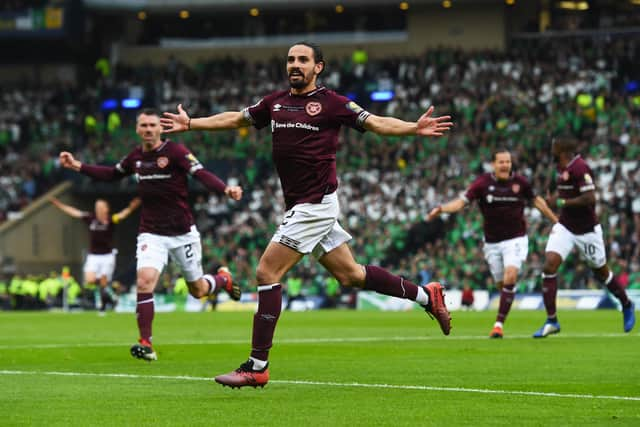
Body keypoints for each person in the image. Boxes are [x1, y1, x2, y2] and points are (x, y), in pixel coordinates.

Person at [161, 41, 454, 388]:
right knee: (351, 275)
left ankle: (257, 366)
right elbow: (235, 118)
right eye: (290, 60)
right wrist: (192, 123)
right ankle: (427, 295)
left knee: (266, 270)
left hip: (315, 204)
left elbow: (374, 122)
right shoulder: (274, 103)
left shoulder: (333, 104)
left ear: (319, 67)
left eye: (303, 60)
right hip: (301, 204)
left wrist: (411, 127)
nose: (295, 65)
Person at [58, 108, 243, 361]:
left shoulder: (176, 152)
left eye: (152, 125)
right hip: (151, 233)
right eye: (143, 125)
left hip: (182, 232)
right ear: (137, 129)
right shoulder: (135, 157)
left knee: (198, 290)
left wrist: (225, 189)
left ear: (160, 128)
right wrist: (77, 165)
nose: (148, 129)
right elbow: (111, 175)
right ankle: (146, 343)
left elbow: (200, 174)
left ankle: (223, 280)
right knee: (144, 281)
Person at [427, 149, 558, 338]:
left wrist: (556, 221)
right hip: (492, 243)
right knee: (502, 284)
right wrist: (441, 209)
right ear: (493, 165)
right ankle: (507, 302)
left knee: (510, 276)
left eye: (508, 162)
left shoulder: (520, 183)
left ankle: (498, 325)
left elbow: (538, 202)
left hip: (516, 239)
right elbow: (462, 203)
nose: (505, 165)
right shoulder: (482, 184)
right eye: (501, 162)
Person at [532, 137, 635, 338]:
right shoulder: (560, 168)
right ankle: (552, 320)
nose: (551, 149)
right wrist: (555, 200)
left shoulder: (580, 168)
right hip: (566, 227)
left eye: (554, 146)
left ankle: (626, 304)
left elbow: (590, 198)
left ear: (563, 149)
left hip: (587, 231)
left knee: (602, 273)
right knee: (549, 265)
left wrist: (560, 202)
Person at [50, 196, 140, 313]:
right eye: (97, 207)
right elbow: (74, 212)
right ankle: (109, 294)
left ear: (106, 209)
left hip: (107, 256)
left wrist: (131, 208)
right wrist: (59, 205)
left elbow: (122, 215)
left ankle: (103, 306)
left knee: (103, 282)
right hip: (94, 255)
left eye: (100, 207)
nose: (98, 209)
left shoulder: (111, 219)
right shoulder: (90, 218)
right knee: (90, 280)